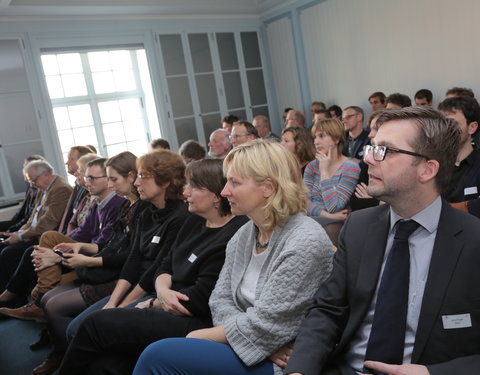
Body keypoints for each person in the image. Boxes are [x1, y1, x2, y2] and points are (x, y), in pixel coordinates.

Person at [284, 107, 480, 375]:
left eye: (384, 151)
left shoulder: (472, 241)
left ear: (427, 169)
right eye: (371, 148)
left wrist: (430, 373)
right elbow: (328, 311)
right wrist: (300, 370)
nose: (368, 159)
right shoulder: (358, 227)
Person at [132, 140, 334, 375]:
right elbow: (219, 301)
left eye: (234, 182)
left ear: (268, 187)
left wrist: (197, 336)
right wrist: (255, 341)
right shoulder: (245, 233)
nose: (224, 191)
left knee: (158, 356)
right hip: (259, 348)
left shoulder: (304, 241)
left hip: (284, 363)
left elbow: (265, 324)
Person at [57, 158, 249, 375]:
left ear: (215, 196)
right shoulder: (193, 220)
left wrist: (154, 302)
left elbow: (198, 299)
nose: (185, 192)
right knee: (106, 364)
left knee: (94, 325)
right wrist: (163, 291)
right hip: (164, 299)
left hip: (192, 319)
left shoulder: (233, 233)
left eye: (192, 187)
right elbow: (164, 265)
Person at [25, 151, 150, 375]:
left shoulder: (136, 208)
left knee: (53, 304)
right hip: (109, 269)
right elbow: (109, 244)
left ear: (130, 178)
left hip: (116, 275)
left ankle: (71, 358)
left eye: (113, 179)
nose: (84, 181)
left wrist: (80, 258)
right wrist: (78, 249)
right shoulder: (126, 206)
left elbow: (128, 256)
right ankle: (65, 352)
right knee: (48, 296)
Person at [63, 149, 190, 339]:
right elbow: (133, 259)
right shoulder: (146, 209)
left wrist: (122, 306)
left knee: (90, 330)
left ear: (164, 182)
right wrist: (113, 303)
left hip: (152, 289)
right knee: (75, 328)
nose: (137, 183)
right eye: (137, 176)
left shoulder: (180, 217)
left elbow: (156, 268)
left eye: (143, 177)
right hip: (134, 283)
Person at [0, 160, 72, 294]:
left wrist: (21, 236)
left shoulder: (61, 189)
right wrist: (19, 232)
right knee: (3, 247)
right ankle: (6, 292)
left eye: (33, 180)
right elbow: (32, 218)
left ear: (45, 175)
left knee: (8, 253)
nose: (31, 185)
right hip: (33, 233)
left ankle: (14, 296)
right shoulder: (43, 188)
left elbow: (49, 222)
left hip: (44, 236)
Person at [304, 119, 360, 225]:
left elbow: (333, 206)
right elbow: (302, 203)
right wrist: (329, 216)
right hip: (312, 221)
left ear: (336, 139)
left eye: (321, 136)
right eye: (315, 137)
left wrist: (324, 172)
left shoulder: (350, 168)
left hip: (335, 225)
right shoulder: (312, 166)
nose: (316, 142)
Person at [438, 96, 480, 217]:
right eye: (443, 123)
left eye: (452, 123)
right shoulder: (433, 164)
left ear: (472, 127)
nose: (446, 129)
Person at [0, 155, 44, 233]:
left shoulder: (40, 191)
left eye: (28, 167)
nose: (25, 170)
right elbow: (20, 214)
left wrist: (9, 231)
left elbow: (29, 219)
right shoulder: (30, 188)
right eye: (24, 167)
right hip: (20, 224)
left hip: (27, 228)